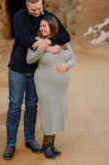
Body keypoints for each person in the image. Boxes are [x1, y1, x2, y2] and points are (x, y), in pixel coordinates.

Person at [3, 0, 70, 160]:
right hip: (17, 68)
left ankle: (30, 140)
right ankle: (10, 143)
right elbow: (24, 37)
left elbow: (64, 35)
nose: (37, 12)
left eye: (39, 8)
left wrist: (50, 41)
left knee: (32, 105)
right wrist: (46, 47)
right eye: (33, 10)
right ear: (27, 6)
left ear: (42, 4)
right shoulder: (19, 17)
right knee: (15, 106)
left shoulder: (48, 16)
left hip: (36, 72)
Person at [26, 15, 76, 159]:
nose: (41, 28)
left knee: (58, 112)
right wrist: (43, 48)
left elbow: (73, 58)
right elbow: (29, 59)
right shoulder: (35, 41)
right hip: (44, 83)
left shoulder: (62, 40)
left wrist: (67, 66)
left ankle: (52, 144)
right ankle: (46, 145)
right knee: (49, 112)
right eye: (40, 26)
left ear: (52, 27)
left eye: (44, 26)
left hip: (61, 87)